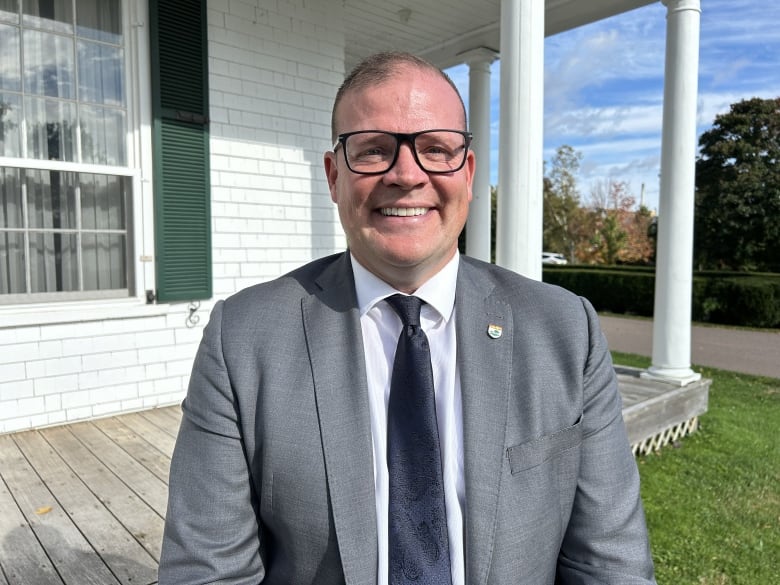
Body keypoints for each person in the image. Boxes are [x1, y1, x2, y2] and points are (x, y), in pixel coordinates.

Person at [159, 52, 656, 584]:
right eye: (373, 150)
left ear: (466, 174)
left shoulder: (564, 329)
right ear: (333, 177)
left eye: (436, 149)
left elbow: (609, 565)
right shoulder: (243, 339)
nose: (405, 174)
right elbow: (207, 573)